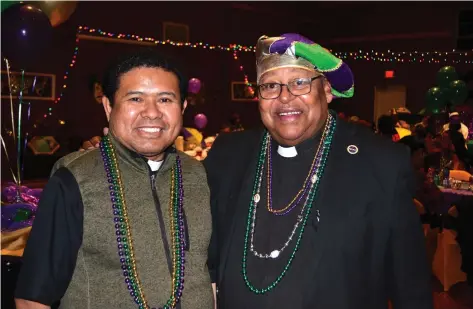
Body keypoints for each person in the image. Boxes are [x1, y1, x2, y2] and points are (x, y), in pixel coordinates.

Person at [204, 33, 433, 309]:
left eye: (299, 83)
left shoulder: (380, 163)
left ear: (326, 90)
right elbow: (207, 250)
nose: (284, 97)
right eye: (270, 86)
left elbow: (411, 286)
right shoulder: (228, 154)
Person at [15, 50, 214, 309]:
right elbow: (33, 298)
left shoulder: (198, 175)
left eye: (165, 99)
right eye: (135, 99)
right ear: (109, 106)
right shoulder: (75, 179)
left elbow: (210, 276)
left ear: (183, 107)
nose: (152, 112)